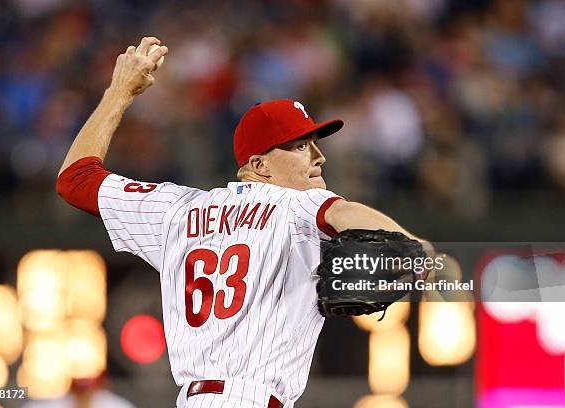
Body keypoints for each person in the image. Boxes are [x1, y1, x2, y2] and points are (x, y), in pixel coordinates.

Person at [56, 36, 424, 408]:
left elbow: (75, 179)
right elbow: (342, 213)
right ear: (259, 166)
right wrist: (414, 249)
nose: (319, 157)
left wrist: (120, 91)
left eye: (315, 143)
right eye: (299, 146)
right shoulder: (297, 205)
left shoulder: (176, 210)